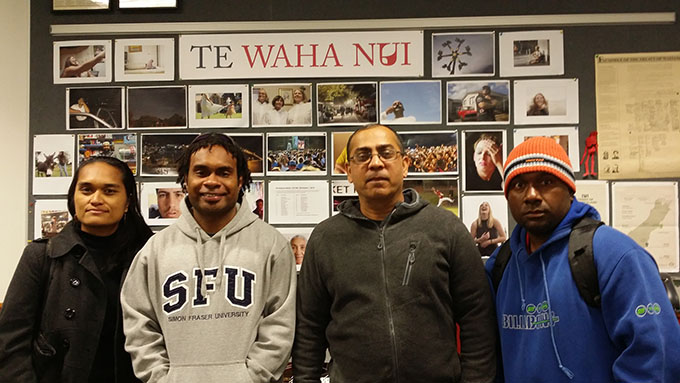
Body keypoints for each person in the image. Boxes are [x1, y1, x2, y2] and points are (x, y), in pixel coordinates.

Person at [293, 124, 497, 382]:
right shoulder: (325, 239)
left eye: (386, 153)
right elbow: (309, 329)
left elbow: (477, 319)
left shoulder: (446, 228)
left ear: (405, 165)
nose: (375, 163)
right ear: (349, 171)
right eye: (363, 155)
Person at [485, 137, 680, 382]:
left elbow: (658, 359)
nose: (531, 195)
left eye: (546, 182)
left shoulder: (615, 254)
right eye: (519, 185)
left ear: (569, 190)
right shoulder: (501, 265)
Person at [121, 133, 296, 383]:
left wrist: (251, 377)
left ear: (240, 180)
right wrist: (162, 379)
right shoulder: (155, 250)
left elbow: (280, 325)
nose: (212, 181)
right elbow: (140, 325)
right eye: (201, 172)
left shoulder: (272, 246)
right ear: (185, 180)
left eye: (223, 173)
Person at [0, 156, 153, 382]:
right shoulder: (42, 256)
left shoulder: (148, 256)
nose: (96, 199)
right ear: (74, 197)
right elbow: (11, 341)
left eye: (109, 191)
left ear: (128, 201)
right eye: (86, 190)